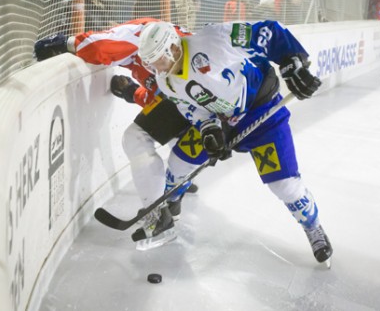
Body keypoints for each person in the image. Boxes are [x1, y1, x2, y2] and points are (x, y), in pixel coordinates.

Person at [136, 20, 333, 265]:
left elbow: (267, 33)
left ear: (173, 49)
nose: (154, 66)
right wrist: (208, 128)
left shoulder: (212, 40)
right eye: (149, 61)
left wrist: (291, 61)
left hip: (262, 112)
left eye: (157, 58)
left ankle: (313, 226)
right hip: (223, 119)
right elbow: (191, 108)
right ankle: (173, 203)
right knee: (177, 163)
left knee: (285, 186)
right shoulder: (165, 80)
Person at [33, 18, 201, 250]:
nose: (153, 65)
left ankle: (165, 207)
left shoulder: (142, 35)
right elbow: (163, 97)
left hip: (202, 105)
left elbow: (99, 46)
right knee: (163, 143)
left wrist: (64, 43)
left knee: (143, 141)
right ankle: (169, 204)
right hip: (196, 104)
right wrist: (134, 93)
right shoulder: (160, 43)